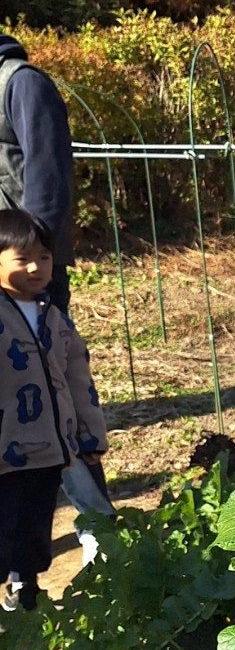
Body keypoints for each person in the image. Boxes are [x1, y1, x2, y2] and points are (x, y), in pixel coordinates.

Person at [0, 209, 106, 612]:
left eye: (44, 257)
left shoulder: (54, 318)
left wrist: (88, 434)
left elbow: (79, 380)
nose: (35, 267)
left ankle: (25, 587)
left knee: (33, 526)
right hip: (5, 455)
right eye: (22, 258)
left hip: (48, 451)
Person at [0, 34, 74, 314]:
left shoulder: (22, 83)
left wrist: (27, 256)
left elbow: (48, 177)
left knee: (41, 352)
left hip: (22, 266)